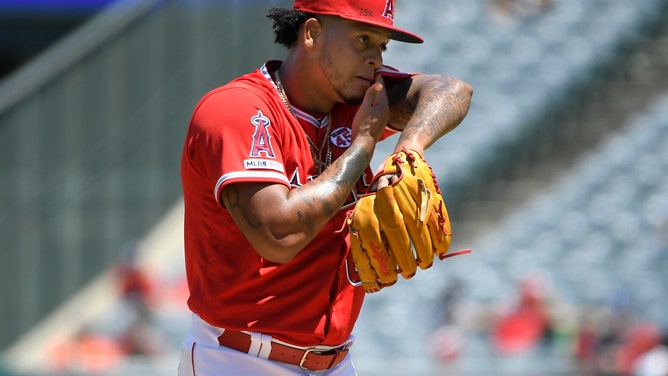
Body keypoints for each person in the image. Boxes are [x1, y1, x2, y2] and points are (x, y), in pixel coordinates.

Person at [178, 0, 473, 375]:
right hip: (239, 358)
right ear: (312, 33)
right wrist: (363, 146)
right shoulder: (238, 110)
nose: (374, 58)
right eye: (362, 38)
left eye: (382, 45)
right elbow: (278, 236)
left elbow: (454, 91)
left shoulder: (357, 99)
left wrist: (408, 148)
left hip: (335, 361)